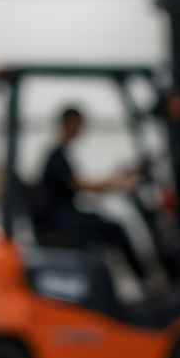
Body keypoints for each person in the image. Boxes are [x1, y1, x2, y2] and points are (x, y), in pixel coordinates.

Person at [37, 105, 150, 281]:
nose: (81, 130)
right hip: (60, 221)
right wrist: (116, 184)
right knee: (116, 229)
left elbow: (80, 183)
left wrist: (115, 179)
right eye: (79, 125)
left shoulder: (61, 154)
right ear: (69, 124)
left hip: (64, 216)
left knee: (105, 222)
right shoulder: (56, 155)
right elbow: (82, 185)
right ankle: (146, 280)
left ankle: (139, 280)